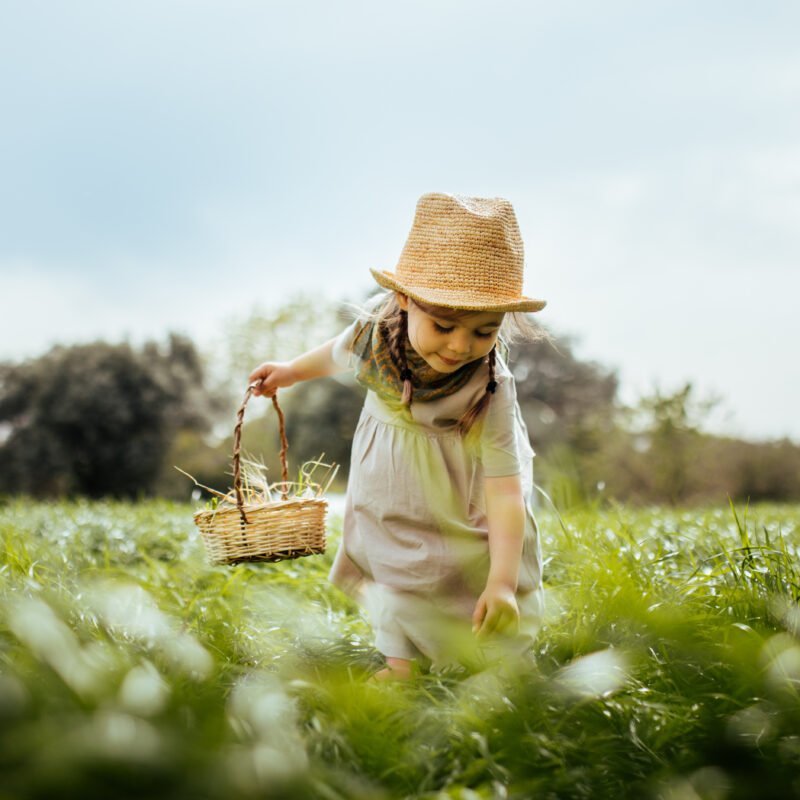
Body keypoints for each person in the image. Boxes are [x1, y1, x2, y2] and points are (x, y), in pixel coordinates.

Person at [249, 192, 547, 680]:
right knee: (388, 564)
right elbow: (336, 354)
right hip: (385, 489)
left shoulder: (490, 386)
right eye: (444, 325)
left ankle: (490, 653)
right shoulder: (373, 334)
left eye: (484, 331)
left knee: (457, 566)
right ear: (404, 301)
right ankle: (400, 663)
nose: (460, 345)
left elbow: (506, 492)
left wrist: (503, 583)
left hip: (456, 498)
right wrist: (290, 372)